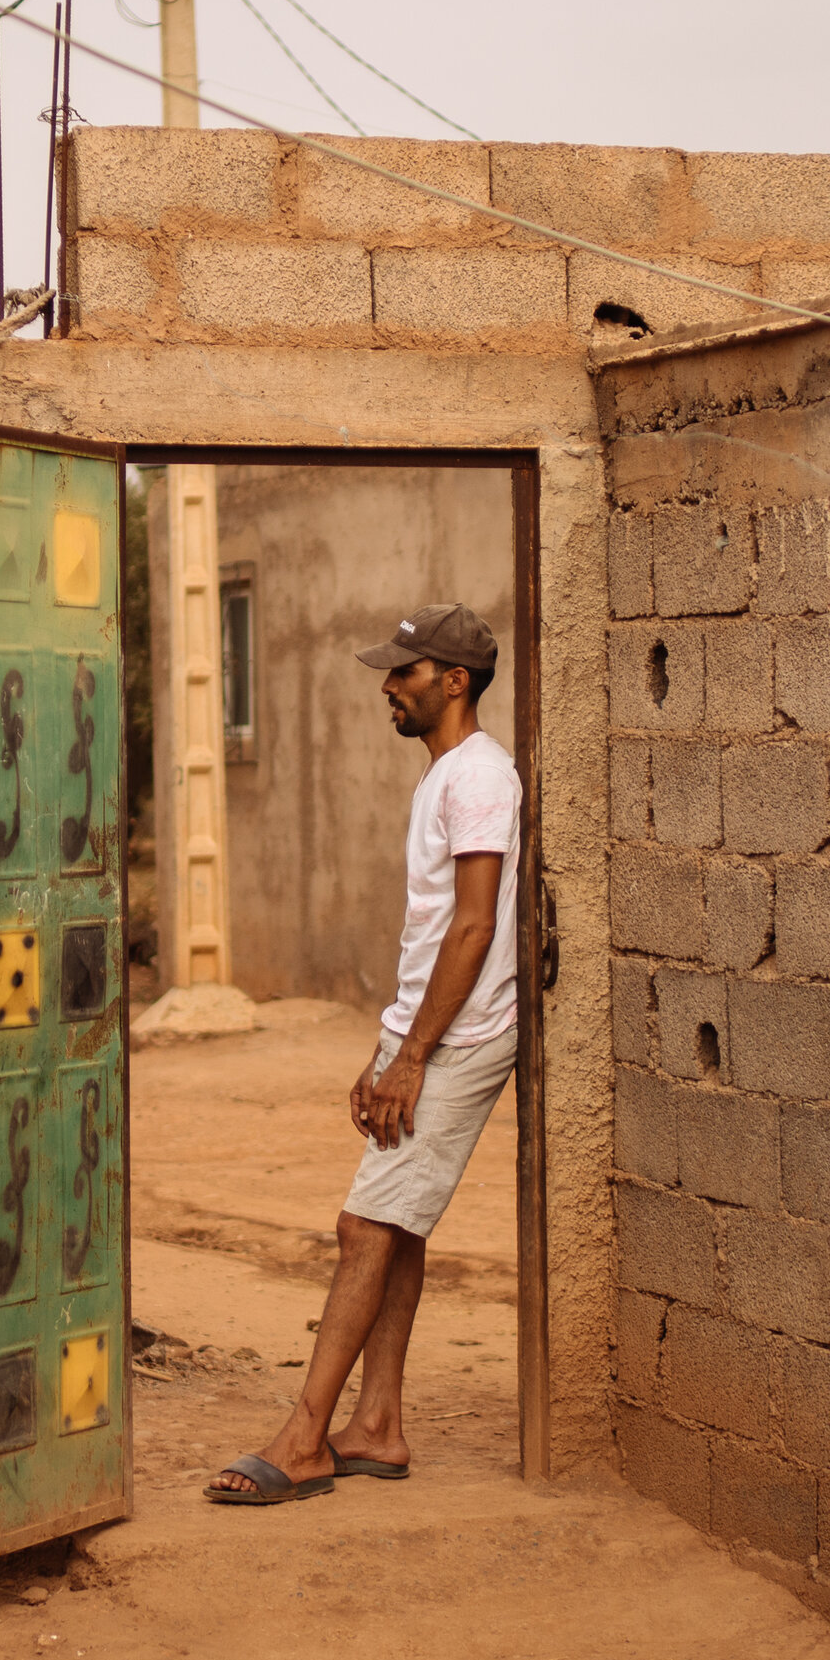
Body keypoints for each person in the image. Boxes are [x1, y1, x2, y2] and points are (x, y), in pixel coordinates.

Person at [207, 601, 520, 1505]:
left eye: (405, 673)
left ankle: (304, 1437)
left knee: (362, 1228)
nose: (389, 686)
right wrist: (390, 1041)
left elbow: (473, 926)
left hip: (461, 1039)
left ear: (453, 681)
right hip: (428, 1031)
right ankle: (376, 1424)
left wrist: (415, 1054)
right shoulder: (446, 775)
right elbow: (432, 934)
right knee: (397, 1225)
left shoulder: (480, 780)